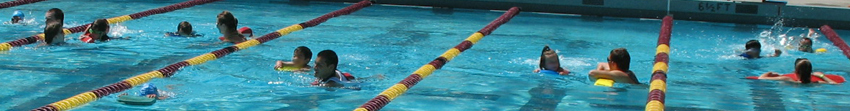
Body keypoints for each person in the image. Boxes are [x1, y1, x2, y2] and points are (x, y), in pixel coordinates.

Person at [756, 58, 839, 84]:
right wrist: (822, 76)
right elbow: (835, 84)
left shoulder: (787, 79)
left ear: (795, 71)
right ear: (811, 71)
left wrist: (770, 73)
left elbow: (761, 78)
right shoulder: (816, 83)